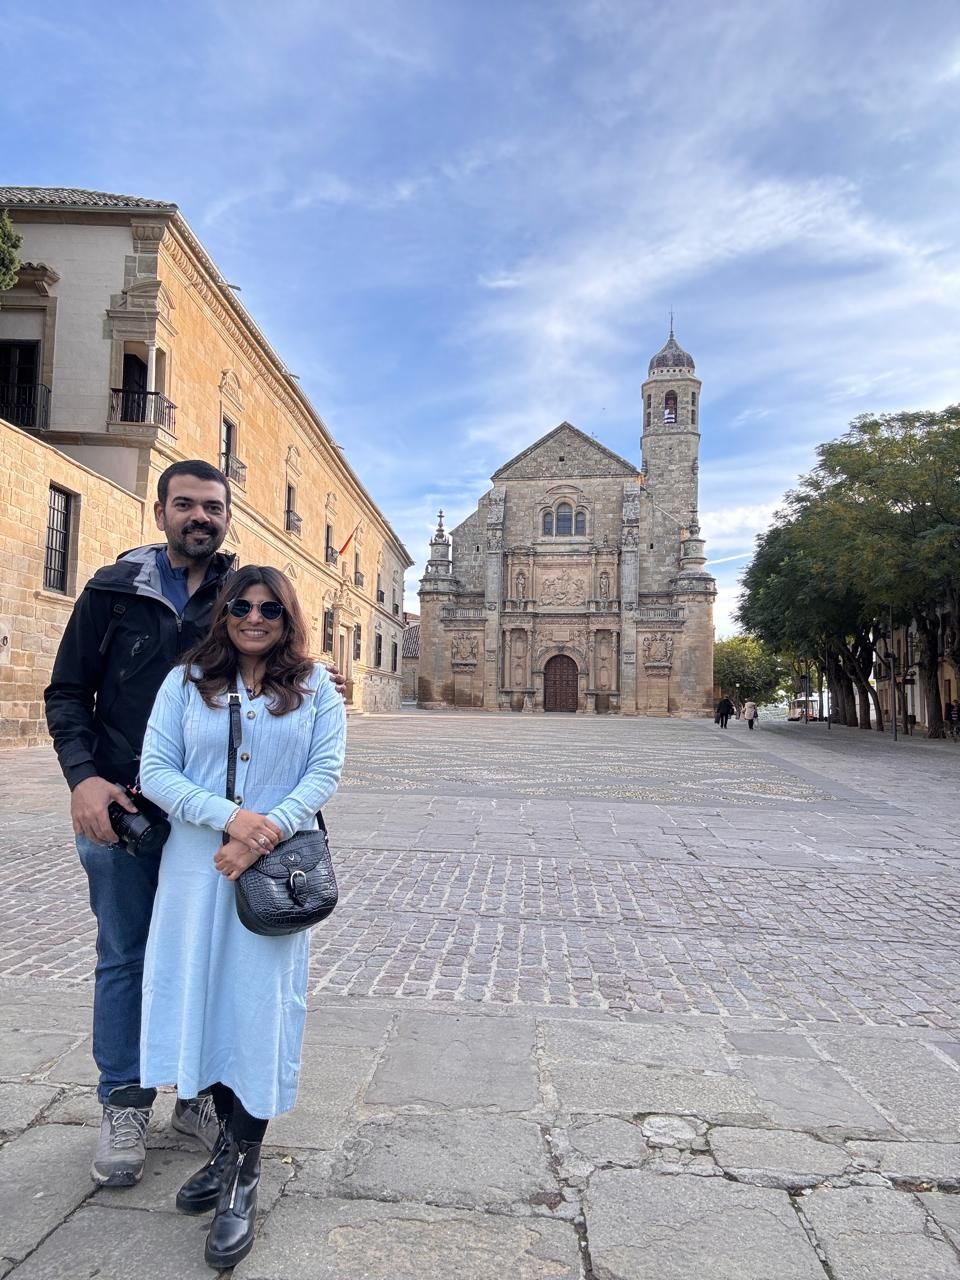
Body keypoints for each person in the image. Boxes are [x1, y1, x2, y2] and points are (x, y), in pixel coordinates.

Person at [44, 459, 343, 1188]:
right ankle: (125, 1102)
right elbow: (66, 692)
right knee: (126, 955)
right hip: (122, 809)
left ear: (227, 518)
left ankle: (199, 1094)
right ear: (161, 513)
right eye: (185, 504)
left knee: (211, 957)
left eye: (212, 506)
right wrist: (83, 779)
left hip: (215, 829)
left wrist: (258, 821)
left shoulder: (240, 590)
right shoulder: (113, 590)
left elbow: (300, 722)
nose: (199, 517)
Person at [138, 565, 346, 1270]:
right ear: (223, 612)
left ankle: (243, 1174)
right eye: (242, 606)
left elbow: (323, 773)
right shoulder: (184, 683)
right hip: (197, 873)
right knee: (205, 1005)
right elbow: (157, 771)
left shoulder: (315, 690)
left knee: (257, 1011)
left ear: (288, 618)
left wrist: (263, 833)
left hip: (274, 877)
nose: (254, 618)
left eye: (269, 609)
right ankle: (225, 1148)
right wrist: (231, 820)